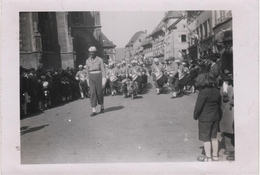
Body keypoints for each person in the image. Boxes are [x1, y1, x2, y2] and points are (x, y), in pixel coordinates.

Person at [193, 73, 222, 162]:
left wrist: (195, 116)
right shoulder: (217, 91)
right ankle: (215, 156)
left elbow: (199, 106)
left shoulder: (203, 92)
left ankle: (208, 157)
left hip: (205, 118)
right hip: (215, 117)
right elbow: (219, 105)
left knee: (206, 138)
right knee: (214, 137)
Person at [85, 46, 106, 117]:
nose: (92, 54)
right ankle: (94, 110)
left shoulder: (100, 60)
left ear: (95, 52)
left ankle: (102, 106)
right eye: (90, 53)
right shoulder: (87, 61)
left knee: (99, 92)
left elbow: (103, 70)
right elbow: (87, 71)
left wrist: (104, 79)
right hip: (91, 77)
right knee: (92, 93)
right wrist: (87, 80)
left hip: (98, 76)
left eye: (93, 52)